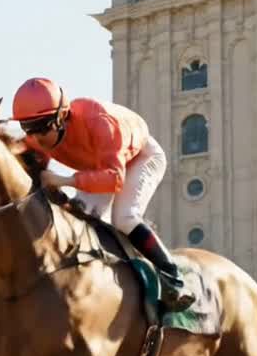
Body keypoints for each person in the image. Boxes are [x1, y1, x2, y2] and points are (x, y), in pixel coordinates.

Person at [11, 77, 194, 311]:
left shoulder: (98, 122)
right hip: (101, 164)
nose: (35, 137)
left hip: (141, 157)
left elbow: (114, 179)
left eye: (41, 127)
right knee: (79, 218)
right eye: (28, 128)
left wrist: (65, 180)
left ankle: (174, 279)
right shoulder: (40, 135)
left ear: (60, 118)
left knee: (124, 217)